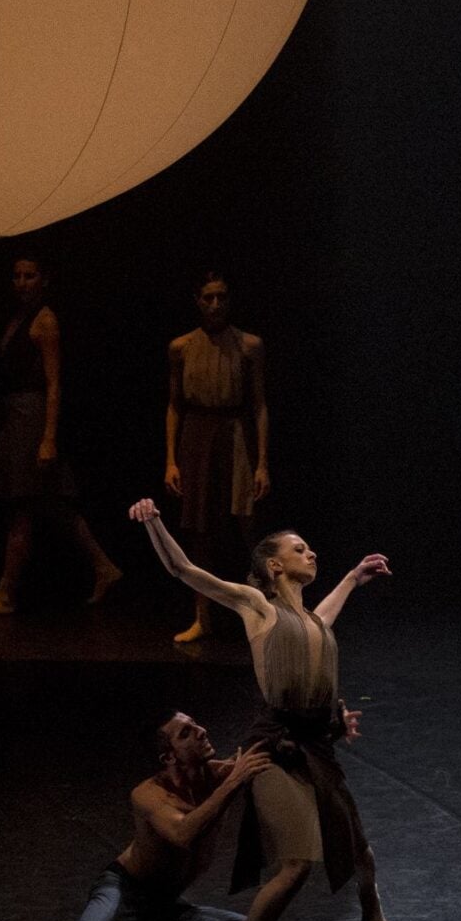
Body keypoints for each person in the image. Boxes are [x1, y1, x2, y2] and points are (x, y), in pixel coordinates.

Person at [129, 497, 391, 921]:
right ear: (275, 566)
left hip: (317, 742)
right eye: (300, 549)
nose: (311, 553)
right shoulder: (258, 607)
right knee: (297, 864)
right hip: (275, 746)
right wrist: (155, 522)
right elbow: (183, 570)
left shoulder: (310, 619)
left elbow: (324, 618)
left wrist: (355, 578)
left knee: (358, 848)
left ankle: (372, 912)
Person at [0, 712, 271, 921]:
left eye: (196, 725)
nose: (201, 731)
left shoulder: (216, 777)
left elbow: (256, 759)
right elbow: (183, 835)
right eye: (186, 733)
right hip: (125, 891)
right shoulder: (148, 794)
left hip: (165, 903)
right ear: (168, 756)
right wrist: (232, 785)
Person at [0, 252, 121, 615]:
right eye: (17, 275)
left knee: (23, 503)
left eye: (29, 275)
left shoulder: (45, 320)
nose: (22, 282)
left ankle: (6, 594)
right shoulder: (20, 316)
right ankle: (103, 566)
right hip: (16, 414)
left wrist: (48, 437)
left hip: (32, 415)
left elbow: (54, 384)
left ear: (44, 279)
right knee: (45, 501)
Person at [164, 271, 270, 642]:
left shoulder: (248, 345)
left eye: (221, 297)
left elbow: (258, 405)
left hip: (235, 434)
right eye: (207, 297)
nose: (214, 305)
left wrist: (262, 463)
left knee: (247, 526)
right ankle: (202, 617)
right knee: (200, 531)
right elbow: (174, 406)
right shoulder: (181, 347)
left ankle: (270, 613)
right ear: (197, 300)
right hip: (197, 435)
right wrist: (171, 460)